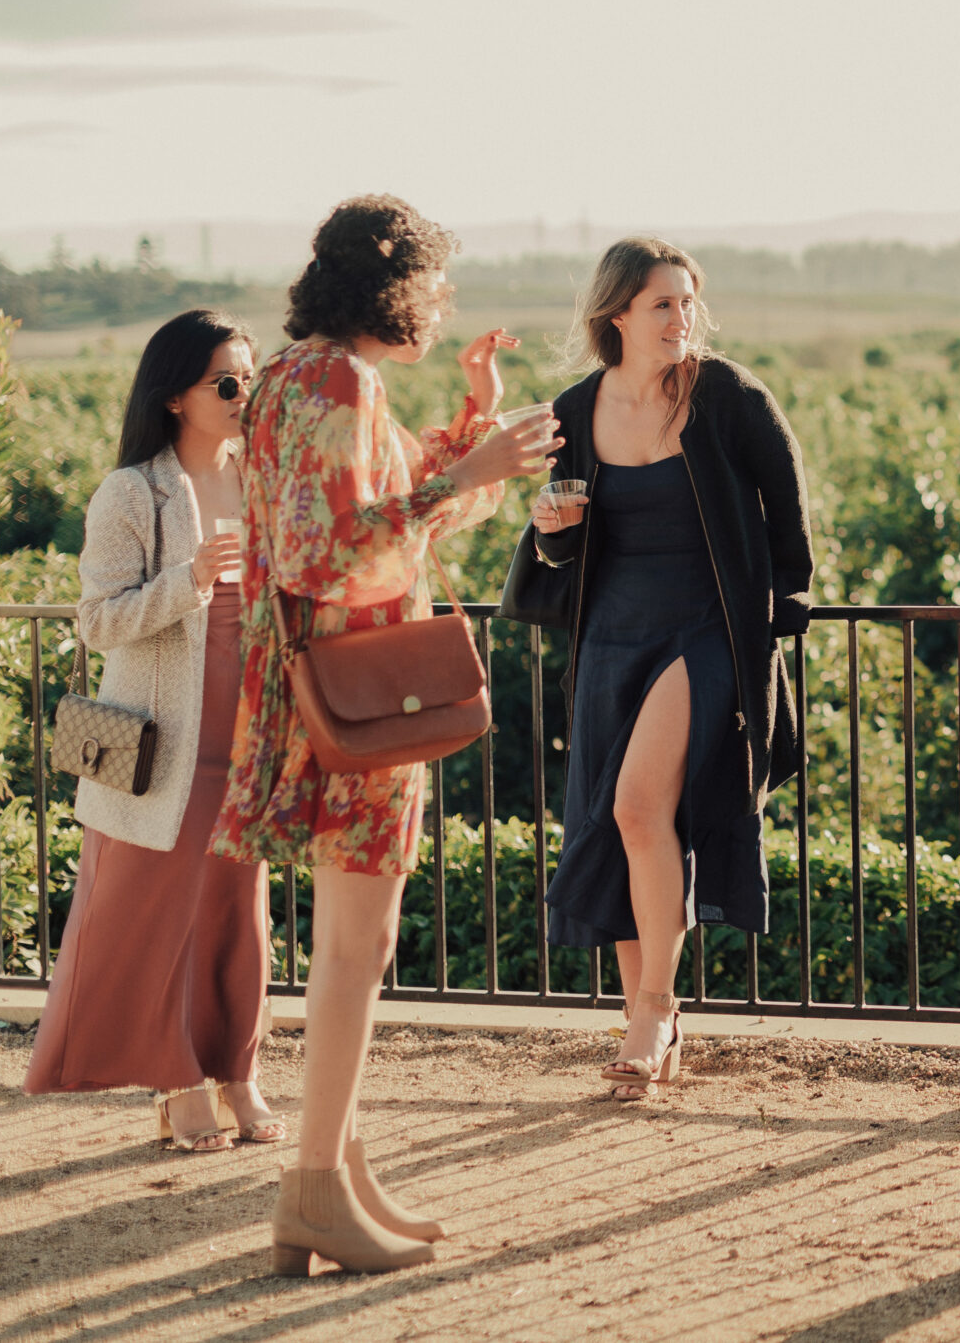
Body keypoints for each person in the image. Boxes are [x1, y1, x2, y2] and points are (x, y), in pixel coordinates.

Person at [211, 196, 558, 1276]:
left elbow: (382, 509)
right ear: (398, 285)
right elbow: (341, 552)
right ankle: (313, 1193)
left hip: (311, 687)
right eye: (436, 284)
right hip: (360, 696)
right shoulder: (343, 383)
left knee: (352, 944)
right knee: (358, 948)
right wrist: (475, 469)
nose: (443, 303)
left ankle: (340, 1170)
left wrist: (470, 431)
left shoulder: (292, 377)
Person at [517, 238, 814, 1101]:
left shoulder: (726, 395)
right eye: (662, 304)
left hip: (706, 629)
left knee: (639, 804)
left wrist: (781, 612)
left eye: (688, 301)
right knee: (618, 825)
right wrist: (550, 530)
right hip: (609, 637)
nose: (682, 318)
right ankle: (642, 1023)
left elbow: (789, 512)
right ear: (618, 313)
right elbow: (557, 549)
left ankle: (655, 1010)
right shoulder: (577, 408)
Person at [25, 309, 286, 1152]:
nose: (243, 393)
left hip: (249, 735)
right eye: (227, 381)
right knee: (155, 914)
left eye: (251, 377)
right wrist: (189, 579)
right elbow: (98, 621)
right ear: (177, 393)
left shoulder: (262, 478)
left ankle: (239, 1070)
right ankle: (177, 1081)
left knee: (237, 913)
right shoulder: (133, 490)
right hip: (159, 746)